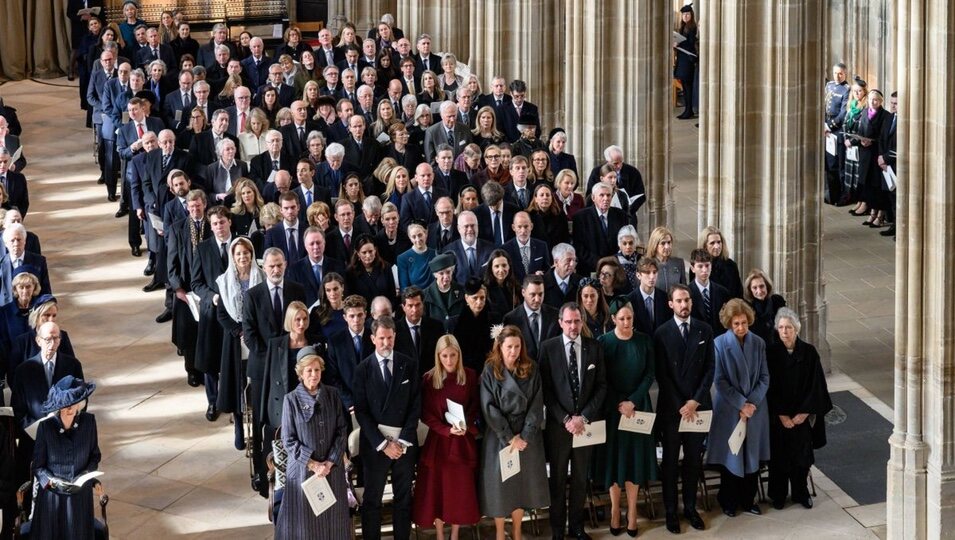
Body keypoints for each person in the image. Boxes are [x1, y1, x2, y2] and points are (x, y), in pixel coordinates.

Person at [538, 302, 607, 540]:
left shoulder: (594, 348)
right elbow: (545, 390)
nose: (573, 326)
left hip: (585, 426)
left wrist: (583, 417)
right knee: (557, 480)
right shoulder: (548, 349)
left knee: (580, 478)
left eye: (577, 321)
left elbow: (601, 386)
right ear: (560, 323)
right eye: (568, 322)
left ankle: (577, 527)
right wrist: (566, 419)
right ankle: (557, 529)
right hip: (559, 427)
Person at [241, 248, 306, 496]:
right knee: (264, 422)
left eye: (279, 265)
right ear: (264, 268)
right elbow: (250, 334)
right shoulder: (253, 295)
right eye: (271, 267)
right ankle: (263, 472)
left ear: (285, 264)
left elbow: (300, 324)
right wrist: (275, 358)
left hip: (293, 368)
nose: (276, 270)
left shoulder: (296, 290)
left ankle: (294, 470)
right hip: (264, 369)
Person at [479, 325, 549, 540]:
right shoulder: (490, 370)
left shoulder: (532, 368)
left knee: (522, 487)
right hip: (500, 436)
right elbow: (488, 407)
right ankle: (501, 533)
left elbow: (537, 405)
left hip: (527, 437)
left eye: (517, 346)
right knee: (501, 488)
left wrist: (525, 436)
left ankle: (517, 531)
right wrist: (510, 437)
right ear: (500, 347)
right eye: (509, 347)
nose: (513, 351)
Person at [353, 316, 421, 540]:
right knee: (372, 500)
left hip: (403, 445)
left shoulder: (408, 364)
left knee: (403, 499)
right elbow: (361, 411)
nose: (385, 343)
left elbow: (415, 405)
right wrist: (383, 444)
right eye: (381, 338)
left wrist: (401, 442)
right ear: (372, 338)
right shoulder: (362, 369)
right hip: (375, 446)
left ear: (395, 337)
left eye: (389, 338)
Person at [653, 284, 713, 534]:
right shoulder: (661, 333)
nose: (684, 305)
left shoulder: (704, 329)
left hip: (697, 407)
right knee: (669, 461)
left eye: (687, 300)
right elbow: (662, 374)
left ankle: (690, 507)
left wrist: (694, 401)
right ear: (671, 304)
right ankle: (670, 510)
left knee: (692, 460)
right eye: (679, 301)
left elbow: (710, 368)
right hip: (673, 409)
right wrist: (681, 404)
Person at [275, 347, 351, 539]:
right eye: (309, 370)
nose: (314, 375)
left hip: (331, 471)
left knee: (334, 523)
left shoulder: (333, 395)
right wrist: (314, 464)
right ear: (300, 373)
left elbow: (342, 431)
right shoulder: (290, 400)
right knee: (305, 527)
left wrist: (330, 462)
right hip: (303, 472)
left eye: (317, 370)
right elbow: (288, 440)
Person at [596, 301, 656, 536]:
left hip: (638, 406)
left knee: (634, 460)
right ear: (613, 319)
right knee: (615, 461)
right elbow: (601, 378)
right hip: (613, 409)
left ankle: (632, 511)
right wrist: (618, 403)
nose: (626, 322)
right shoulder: (604, 342)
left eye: (629, 318)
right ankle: (614, 510)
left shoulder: (644, 341)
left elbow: (650, 373)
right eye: (621, 319)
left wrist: (633, 400)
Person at [706, 299, 771, 517]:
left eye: (744, 322)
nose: (741, 327)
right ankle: (728, 500)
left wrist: (751, 403)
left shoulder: (759, 343)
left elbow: (764, 377)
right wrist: (741, 404)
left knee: (752, 456)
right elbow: (720, 381)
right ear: (729, 323)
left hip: (755, 409)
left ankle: (748, 499)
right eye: (736, 324)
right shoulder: (718, 344)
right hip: (730, 409)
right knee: (731, 456)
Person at [412, 335, 481, 538]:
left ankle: (455, 534)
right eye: (444, 356)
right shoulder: (429, 379)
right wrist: (445, 430)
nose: (449, 360)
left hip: (462, 441)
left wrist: (466, 425)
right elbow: (426, 414)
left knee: (458, 489)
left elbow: (475, 407)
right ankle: (441, 534)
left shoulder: (469, 375)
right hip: (439, 443)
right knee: (438, 489)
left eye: (453, 355)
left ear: (458, 355)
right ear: (438, 356)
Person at [766, 308, 832, 510]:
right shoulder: (771, 353)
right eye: (781, 328)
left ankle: (800, 493)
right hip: (779, 418)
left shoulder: (809, 353)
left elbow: (817, 385)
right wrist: (782, 415)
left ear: (797, 329)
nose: (784, 331)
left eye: (789, 327)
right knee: (779, 459)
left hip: (802, 417)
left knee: (801, 459)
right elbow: (768, 386)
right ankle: (778, 495)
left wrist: (804, 414)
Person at [31, 376, 101, 540]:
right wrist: (51, 482)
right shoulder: (45, 428)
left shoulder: (89, 423)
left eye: (73, 403)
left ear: (80, 403)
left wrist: (86, 475)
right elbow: (38, 467)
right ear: (59, 407)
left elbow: (95, 456)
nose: (69, 408)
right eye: (65, 406)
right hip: (52, 498)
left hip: (79, 498)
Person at [215, 237, 265, 450]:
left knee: (254, 384)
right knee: (237, 384)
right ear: (232, 258)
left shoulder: (261, 276)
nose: (243, 257)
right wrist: (239, 331)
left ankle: (256, 427)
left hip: (256, 337)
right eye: (239, 254)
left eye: (246, 253)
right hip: (235, 340)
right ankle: (238, 426)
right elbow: (222, 313)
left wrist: (252, 330)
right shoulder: (224, 281)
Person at [323, 294, 373, 413]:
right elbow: (333, 376)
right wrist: (348, 401)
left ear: (365, 314)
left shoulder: (375, 337)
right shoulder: (335, 341)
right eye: (352, 316)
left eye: (360, 315)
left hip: (374, 401)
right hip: (347, 406)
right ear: (345, 317)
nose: (356, 320)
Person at [573, 182, 628, 275]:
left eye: (608, 195)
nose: (605, 199)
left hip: (615, 268)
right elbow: (579, 248)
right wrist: (601, 263)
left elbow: (624, 243)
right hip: (590, 268)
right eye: (601, 195)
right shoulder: (581, 217)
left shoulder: (621, 215)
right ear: (593, 198)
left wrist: (613, 263)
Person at [393, 286, 444, 377]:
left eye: (418, 305)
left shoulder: (436, 327)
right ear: (403, 307)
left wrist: (437, 368)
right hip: (406, 381)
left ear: (423, 305)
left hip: (432, 378)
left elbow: (442, 354)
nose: (415, 310)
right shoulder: (394, 330)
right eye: (410, 306)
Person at [453, 278, 494, 373]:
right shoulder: (456, 322)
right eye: (475, 298)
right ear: (467, 298)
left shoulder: (493, 319)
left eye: (482, 298)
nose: (479, 302)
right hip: (464, 370)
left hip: (488, 369)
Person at [346, 234, 396, 306]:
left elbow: (392, 295)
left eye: (370, 251)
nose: (368, 255)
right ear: (358, 254)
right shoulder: (350, 272)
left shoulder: (385, 267)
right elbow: (350, 299)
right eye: (364, 252)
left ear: (375, 250)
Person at [688, 248, 730, 331]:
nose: (704, 270)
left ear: (711, 266)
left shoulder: (723, 292)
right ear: (693, 268)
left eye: (707, 265)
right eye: (700, 266)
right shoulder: (687, 293)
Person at [628, 257, 672, 337]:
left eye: (654, 272)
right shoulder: (630, 300)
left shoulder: (665, 297)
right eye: (647, 272)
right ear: (638, 275)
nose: (652, 276)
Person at [423, 253, 465, 333]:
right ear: (435, 275)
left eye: (448, 272)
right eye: (441, 273)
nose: (446, 276)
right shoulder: (425, 295)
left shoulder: (462, 291)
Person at [744, 269, 787, 344]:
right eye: (755, 288)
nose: (759, 291)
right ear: (750, 290)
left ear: (767, 286)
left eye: (761, 286)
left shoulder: (777, 301)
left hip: (779, 348)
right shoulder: (748, 308)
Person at [483, 248, 521, 324]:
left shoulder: (516, 287)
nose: (501, 270)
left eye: (504, 265)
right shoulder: (484, 289)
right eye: (497, 266)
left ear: (509, 266)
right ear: (491, 268)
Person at [674, 5, 698, 119]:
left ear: (691, 15)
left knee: (688, 85)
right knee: (684, 84)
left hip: (688, 60)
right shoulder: (683, 27)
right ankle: (687, 109)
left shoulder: (692, 27)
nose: (685, 16)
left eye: (687, 14)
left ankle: (689, 110)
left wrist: (679, 43)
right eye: (683, 14)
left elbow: (691, 44)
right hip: (682, 58)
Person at [646, 226, 686, 294]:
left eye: (669, 242)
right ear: (655, 245)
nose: (667, 247)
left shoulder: (678, 263)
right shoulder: (647, 264)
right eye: (663, 243)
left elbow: (684, 287)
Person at [396, 222, 435, 289]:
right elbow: (404, 288)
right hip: (415, 297)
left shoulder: (435, 254)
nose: (417, 239)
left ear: (425, 234)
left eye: (420, 235)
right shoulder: (403, 258)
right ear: (410, 238)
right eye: (414, 237)